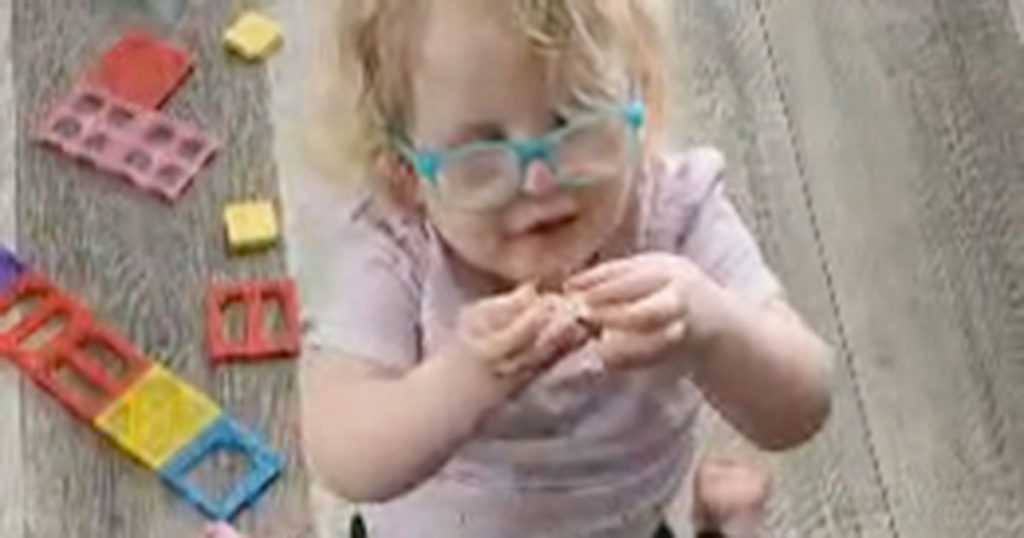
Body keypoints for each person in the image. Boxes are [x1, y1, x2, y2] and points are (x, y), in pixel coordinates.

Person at [293, 0, 833, 536]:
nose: (540, 182)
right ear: (406, 174)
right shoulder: (398, 245)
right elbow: (342, 454)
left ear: (640, 100)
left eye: (575, 122)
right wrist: (465, 377)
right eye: (482, 149)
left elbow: (802, 406)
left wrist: (711, 327)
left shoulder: (676, 212)